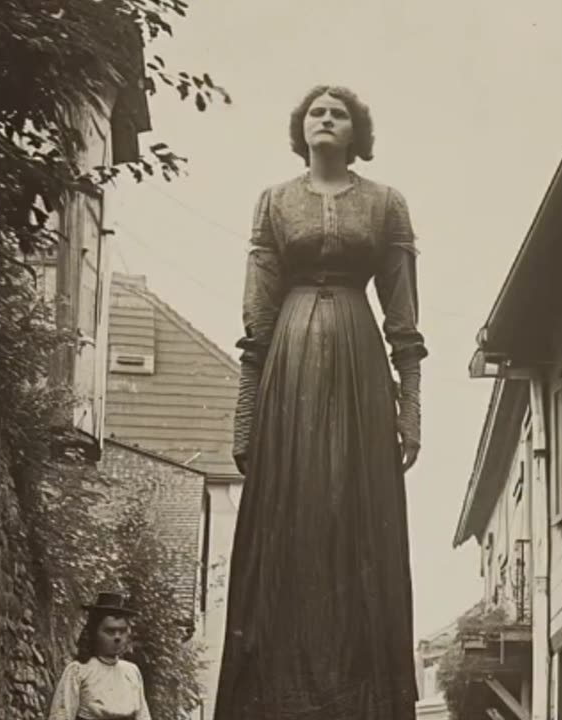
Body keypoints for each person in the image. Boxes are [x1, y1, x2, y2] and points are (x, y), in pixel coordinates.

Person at [215, 85, 426, 720]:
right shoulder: (274, 203)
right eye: (315, 112)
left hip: (361, 367)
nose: (325, 120)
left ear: (355, 130)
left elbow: (404, 316)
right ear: (300, 129)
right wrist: (247, 416)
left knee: (355, 516)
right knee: (294, 515)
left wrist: (409, 408)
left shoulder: (386, 204)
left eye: (338, 113)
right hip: (290, 366)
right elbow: (256, 318)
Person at [48, 592, 152, 720]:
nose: (117, 637)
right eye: (110, 631)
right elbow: (61, 715)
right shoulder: (79, 670)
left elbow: (143, 716)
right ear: (94, 633)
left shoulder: (132, 672)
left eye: (122, 631)